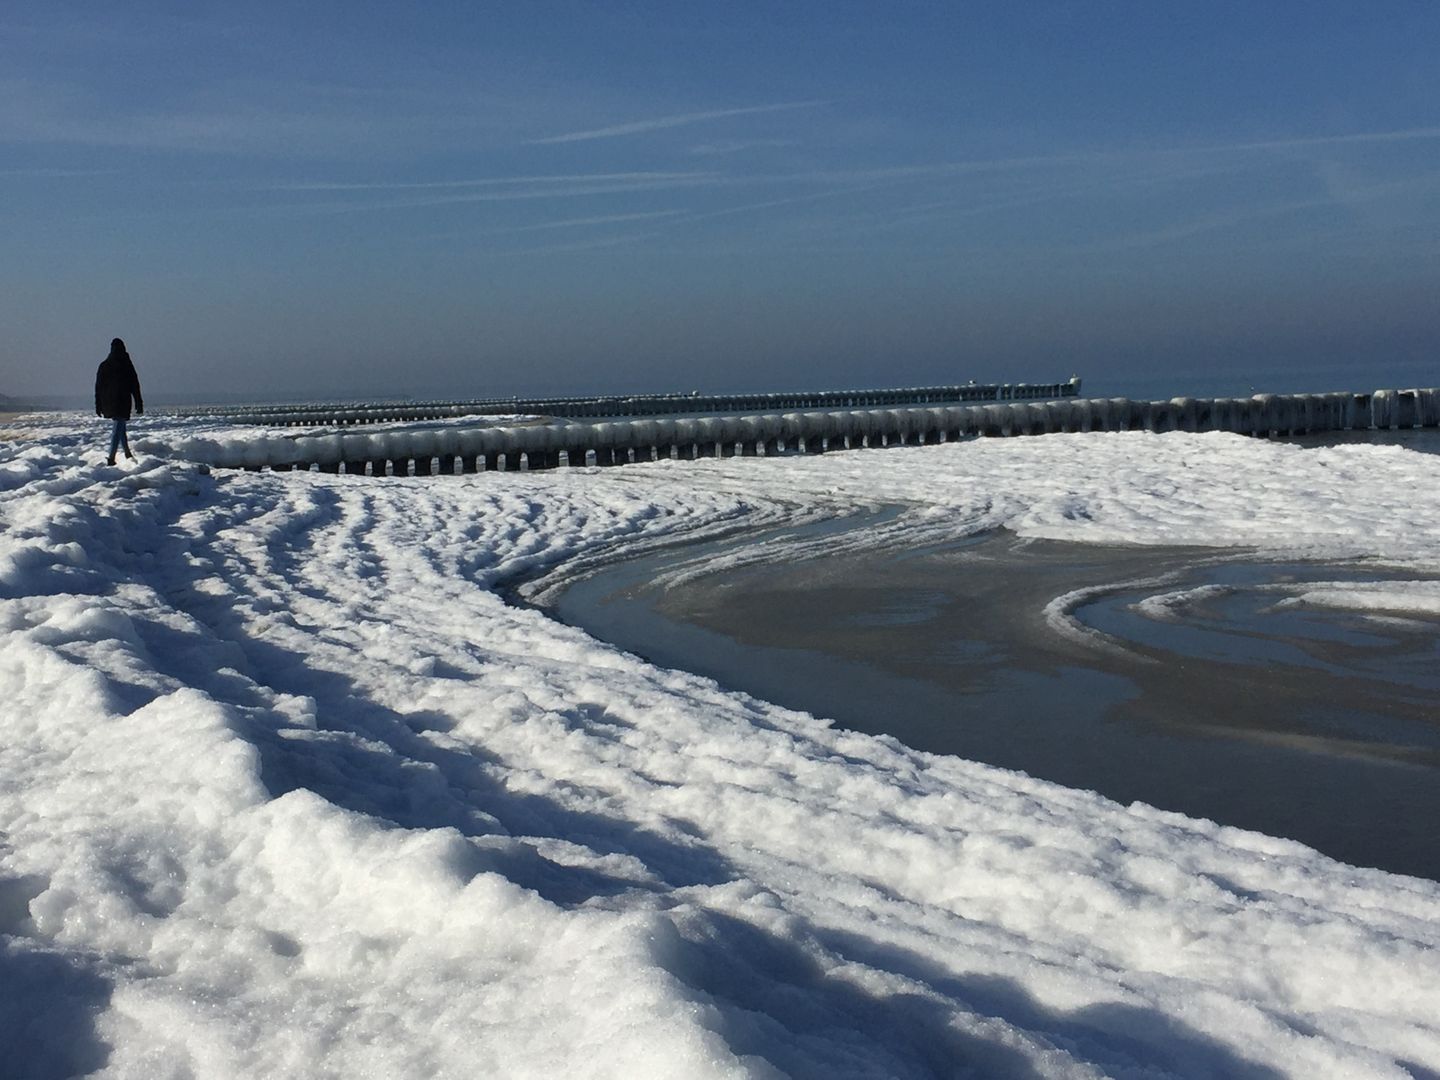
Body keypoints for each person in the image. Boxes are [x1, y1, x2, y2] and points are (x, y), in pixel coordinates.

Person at [95, 338, 144, 466]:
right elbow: (135, 385)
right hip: (122, 401)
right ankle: (111, 458)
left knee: (120, 426)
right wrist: (138, 402)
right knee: (118, 426)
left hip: (108, 402)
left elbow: (98, 387)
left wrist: (98, 404)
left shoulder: (105, 365)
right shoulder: (126, 364)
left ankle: (127, 453)